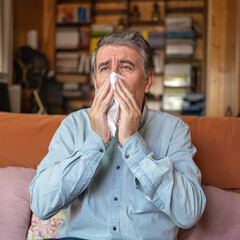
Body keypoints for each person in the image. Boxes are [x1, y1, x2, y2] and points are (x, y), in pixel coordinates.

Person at [30, 31, 206, 240]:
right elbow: (41, 204)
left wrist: (133, 143)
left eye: (125, 67)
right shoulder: (73, 125)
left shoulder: (174, 130)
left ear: (147, 81)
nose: (114, 78)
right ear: (95, 82)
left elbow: (189, 213)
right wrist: (94, 142)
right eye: (105, 68)